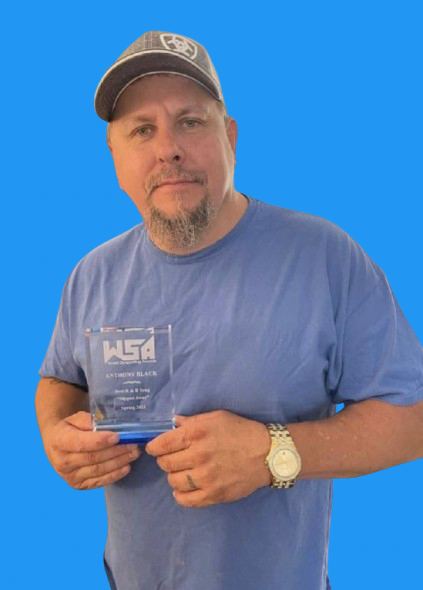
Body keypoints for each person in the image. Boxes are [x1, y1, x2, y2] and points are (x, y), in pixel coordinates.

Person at [35, 31, 423, 590]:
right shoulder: (91, 275)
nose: (168, 148)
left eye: (190, 121)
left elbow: (412, 420)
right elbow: (60, 379)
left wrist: (272, 452)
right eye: (142, 130)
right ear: (115, 155)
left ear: (231, 137)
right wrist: (56, 433)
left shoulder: (324, 257)